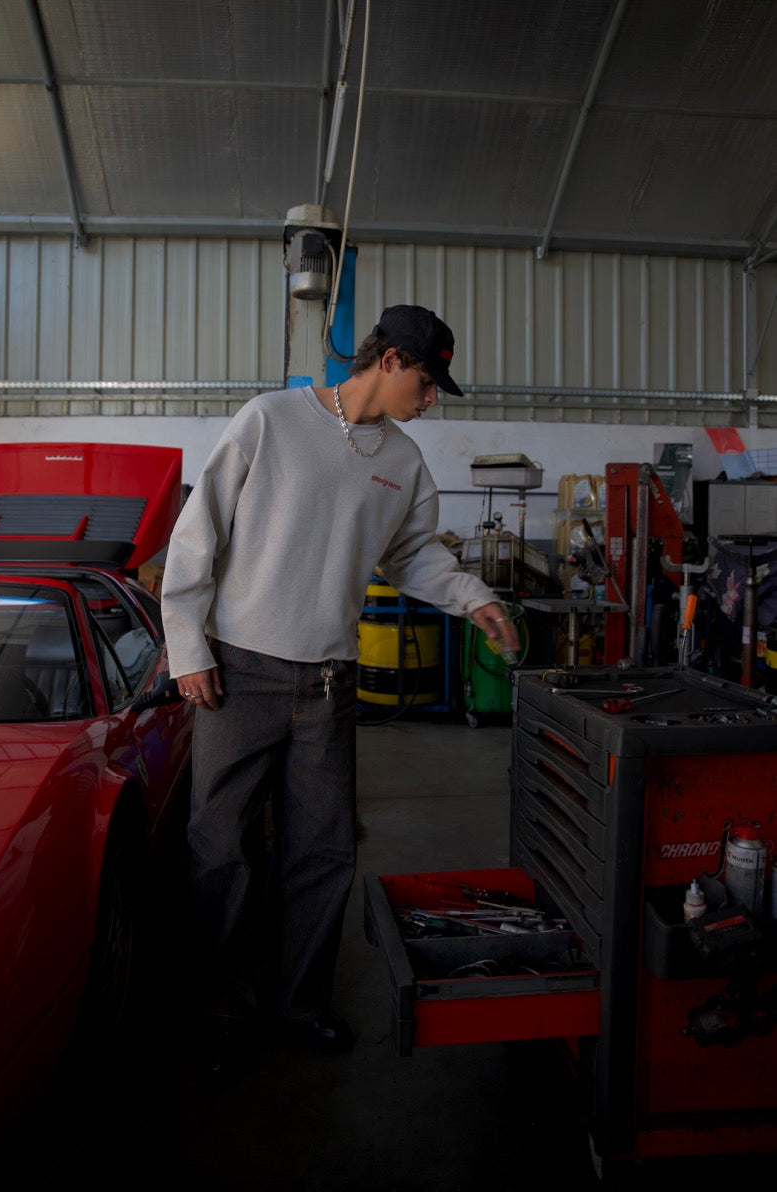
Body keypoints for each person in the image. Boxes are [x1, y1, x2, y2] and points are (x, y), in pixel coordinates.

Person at [160, 304, 519, 1064]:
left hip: (327, 682)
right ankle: (222, 1012)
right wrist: (187, 647)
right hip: (236, 674)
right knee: (221, 848)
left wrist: (474, 598)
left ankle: (299, 1004)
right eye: (426, 384)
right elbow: (197, 534)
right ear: (388, 361)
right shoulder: (269, 420)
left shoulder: (403, 464)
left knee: (322, 852)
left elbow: (412, 555)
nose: (430, 401)